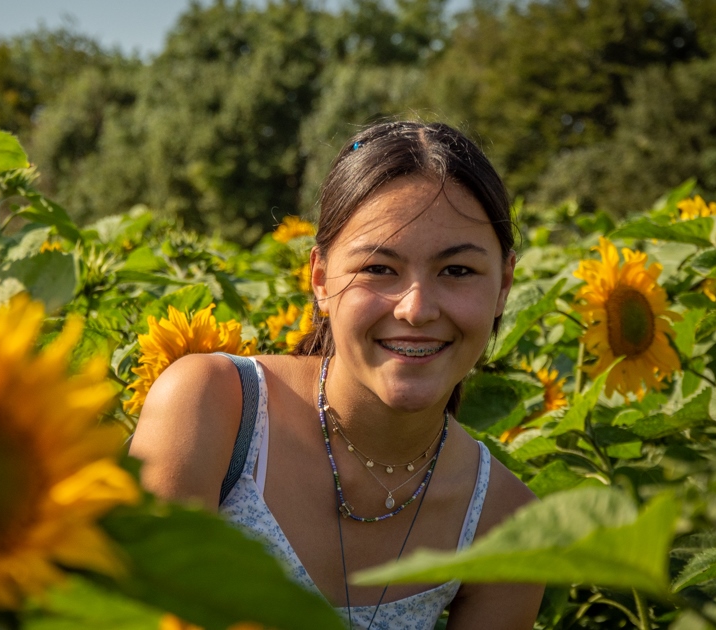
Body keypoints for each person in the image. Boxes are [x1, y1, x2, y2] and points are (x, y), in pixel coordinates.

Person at [129, 120, 545, 629]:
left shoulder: (508, 522)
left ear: (504, 285)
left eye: (456, 271)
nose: (416, 309)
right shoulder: (211, 409)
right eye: (377, 268)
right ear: (321, 280)